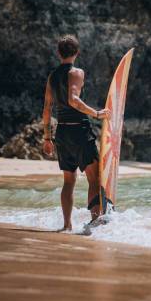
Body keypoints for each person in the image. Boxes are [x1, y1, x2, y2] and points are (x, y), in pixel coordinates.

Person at [41, 34, 111, 232]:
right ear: (77, 52)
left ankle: (66, 225)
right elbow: (73, 99)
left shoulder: (52, 76)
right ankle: (95, 222)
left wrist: (47, 138)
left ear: (58, 53)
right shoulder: (77, 72)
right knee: (94, 179)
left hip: (62, 131)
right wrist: (97, 113)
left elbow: (47, 109)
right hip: (79, 131)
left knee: (68, 181)